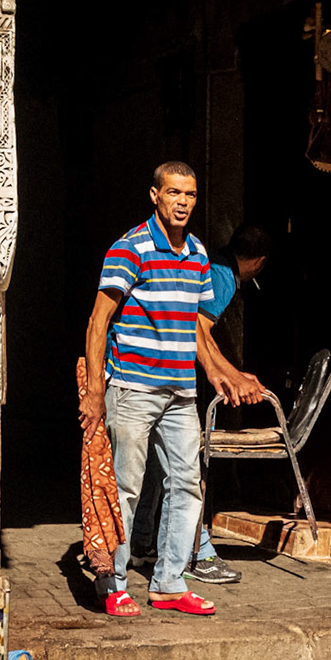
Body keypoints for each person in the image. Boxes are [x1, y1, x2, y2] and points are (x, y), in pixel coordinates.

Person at [80, 162, 261, 616]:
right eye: (174, 192)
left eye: (190, 194)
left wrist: (220, 372)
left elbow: (194, 327)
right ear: (155, 195)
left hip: (181, 395)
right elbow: (99, 321)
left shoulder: (197, 253)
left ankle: (169, 584)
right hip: (133, 389)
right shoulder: (130, 249)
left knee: (187, 486)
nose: (182, 202)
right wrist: (95, 392)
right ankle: (114, 583)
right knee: (126, 489)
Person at [130, 225, 272, 586]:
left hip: (157, 375)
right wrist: (227, 374)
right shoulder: (222, 277)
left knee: (161, 467)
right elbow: (198, 330)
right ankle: (197, 553)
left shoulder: (204, 263)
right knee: (182, 474)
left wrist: (227, 372)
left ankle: (141, 541)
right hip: (164, 377)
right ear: (258, 262)